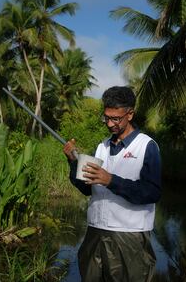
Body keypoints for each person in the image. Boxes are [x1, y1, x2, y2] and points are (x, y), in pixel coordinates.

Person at [63, 86, 161, 282]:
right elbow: (87, 188)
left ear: (130, 114)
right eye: (106, 118)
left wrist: (111, 180)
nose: (109, 124)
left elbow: (152, 193)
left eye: (115, 119)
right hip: (95, 232)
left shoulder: (146, 146)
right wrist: (73, 163)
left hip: (129, 236)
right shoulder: (102, 147)